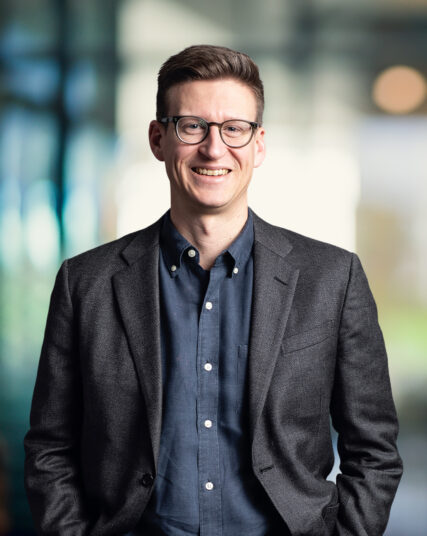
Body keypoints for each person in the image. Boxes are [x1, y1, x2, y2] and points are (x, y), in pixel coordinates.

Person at [24, 45, 402, 536]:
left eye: (234, 128)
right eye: (192, 126)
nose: (214, 148)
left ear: (259, 144)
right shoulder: (86, 282)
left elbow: (374, 451)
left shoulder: (331, 278)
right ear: (159, 139)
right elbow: (50, 447)